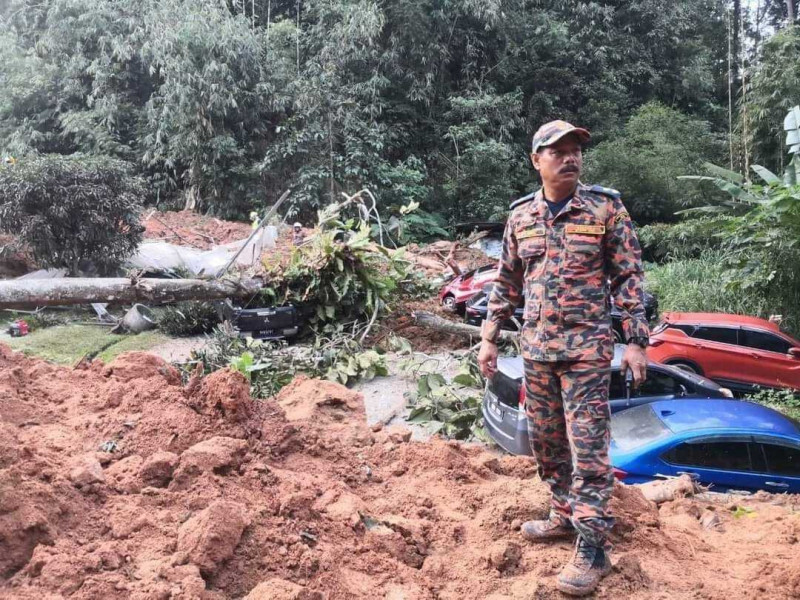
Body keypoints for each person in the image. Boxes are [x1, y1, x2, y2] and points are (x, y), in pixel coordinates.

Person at [477, 119, 649, 596]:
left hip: (587, 353)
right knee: (548, 443)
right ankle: (563, 512)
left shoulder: (605, 209)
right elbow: (506, 283)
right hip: (536, 350)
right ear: (537, 161)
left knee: (589, 447)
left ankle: (594, 543)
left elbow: (630, 277)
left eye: (575, 149)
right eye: (558, 151)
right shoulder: (520, 217)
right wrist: (489, 337)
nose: (570, 157)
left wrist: (635, 340)